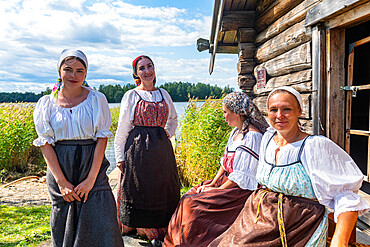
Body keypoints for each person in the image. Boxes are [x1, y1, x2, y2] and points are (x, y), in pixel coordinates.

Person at [209, 86, 370, 247]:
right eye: (273, 110)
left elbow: (346, 196)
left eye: (287, 109)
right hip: (259, 216)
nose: (279, 115)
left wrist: (339, 240)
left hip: (298, 225)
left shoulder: (314, 146)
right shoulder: (267, 139)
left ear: (299, 111)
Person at [33, 49, 124, 247]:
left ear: (86, 73)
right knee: (64, 221)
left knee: (102, 220)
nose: (74, 75)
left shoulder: (96, 100)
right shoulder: (46, 104)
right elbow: (46, 144)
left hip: (91, 165)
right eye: (68, 69)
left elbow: (101, 139)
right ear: (59, 72)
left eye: (80, 71)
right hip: (61, 166)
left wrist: (91, 179)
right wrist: (62, 182)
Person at [163, 92, 269, 247]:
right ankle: (174, 242)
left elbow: (240, 177)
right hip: (225, 182)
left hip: (238, 191)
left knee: (192, 205)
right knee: (189, 194)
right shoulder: (236, 131)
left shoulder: (252, 137)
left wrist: (216, 191)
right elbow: (224, 163)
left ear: (237, 113)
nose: (224, 116)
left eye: (226, 112)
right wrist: (212, 183)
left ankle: (190, 243)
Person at [114, 55, 180, 243]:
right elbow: (123, 128)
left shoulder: (164, 94)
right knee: (141, 186)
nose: (147, 71)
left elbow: (173, 119)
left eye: (149, 66)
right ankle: (143, 228)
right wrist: (120, 157)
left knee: (162, 184)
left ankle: (163, 227)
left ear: (154, 68)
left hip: (161, 149)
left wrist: (166, 133)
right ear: (136, 73)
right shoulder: (132, 95)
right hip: (138, 148)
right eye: (142, 68)